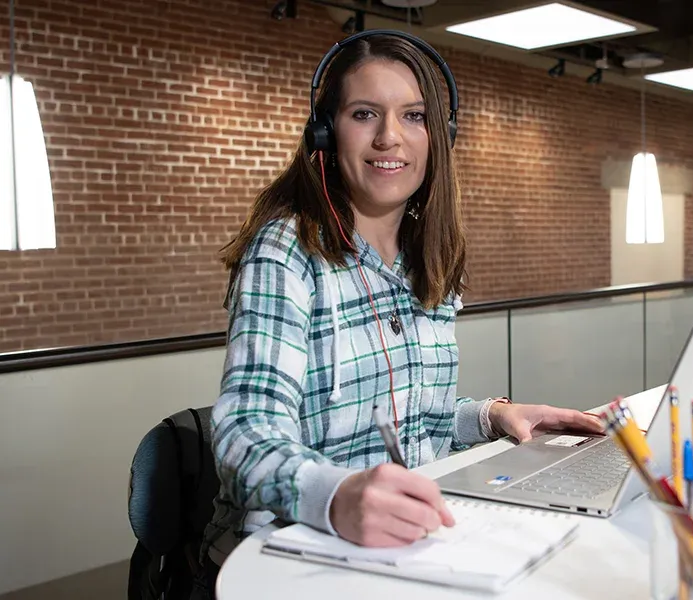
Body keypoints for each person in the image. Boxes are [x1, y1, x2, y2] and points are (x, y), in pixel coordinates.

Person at [195, 30, 603, 596]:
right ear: (325, 133)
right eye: (365, 114)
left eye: (413, 116)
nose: (390, 137)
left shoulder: (428, 260)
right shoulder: (286, 252)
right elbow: (245, 431)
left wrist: (491, 416)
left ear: (439, 136)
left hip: (403, 548)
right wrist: (335, 496)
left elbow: (411, 415)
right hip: (288, 557)